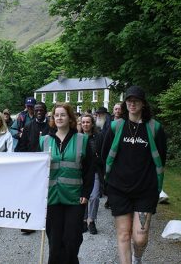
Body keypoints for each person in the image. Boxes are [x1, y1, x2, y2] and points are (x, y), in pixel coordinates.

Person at [101, 86, 167, 264]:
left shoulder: (155, 128)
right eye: (129, 100)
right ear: (125, 103)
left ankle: (137, 257)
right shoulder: (116, 127)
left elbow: (161, 158)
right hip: (119, 189)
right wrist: (105, 181)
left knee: (140, 238)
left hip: (145, 190)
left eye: (136, 100)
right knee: (123, 234)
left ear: (143, 104)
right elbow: (105, 154)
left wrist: (156, 185)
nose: (132, 103)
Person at [39, 102, 94, 264]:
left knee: (72, 240)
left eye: (63, 114)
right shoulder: (44, 141)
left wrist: (86, 192)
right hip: (52, 198)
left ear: (70, 117)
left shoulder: (81, 140)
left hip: (75, 198)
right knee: (55, 243)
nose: (59, 118)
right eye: (56, 115)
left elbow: (90, 169)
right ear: (52, 118)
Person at [14, 101, 51, 234]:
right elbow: (22, 146)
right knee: (32, 194)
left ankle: (47, 220)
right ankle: (31, 222)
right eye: (37, 110)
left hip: (49, 166)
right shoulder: (29, 126)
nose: (39, 112)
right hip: (33, 167)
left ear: (45, 111)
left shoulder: (51, 126)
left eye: (41, 110)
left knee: (47, 195)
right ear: (33, 112)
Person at [80, 114, 104, 235]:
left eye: (88, 122)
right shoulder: (77, 137)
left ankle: (91, 220)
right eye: (83, 122)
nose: (85, 124)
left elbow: (103, 155)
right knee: (82, 196)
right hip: (80, 172)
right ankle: (83, 220)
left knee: (94, 196)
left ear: (92, 123)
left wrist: (97, 159)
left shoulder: (98, 137)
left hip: (94, 171)